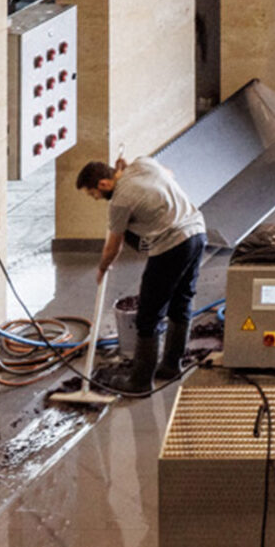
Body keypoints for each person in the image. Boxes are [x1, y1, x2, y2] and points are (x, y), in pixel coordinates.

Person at [77, 152, 207, 394]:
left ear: (103, 184)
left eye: (94, 194)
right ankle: (171, 366)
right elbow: (168, 174)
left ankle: (140, 382)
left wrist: (103, 267)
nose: (96, 199)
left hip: (171, 246)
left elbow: (113, 246)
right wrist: (129, 171)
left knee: (148, 316)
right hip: (197, 233)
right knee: (181, 301)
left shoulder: (119, 202)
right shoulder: (143, 163)